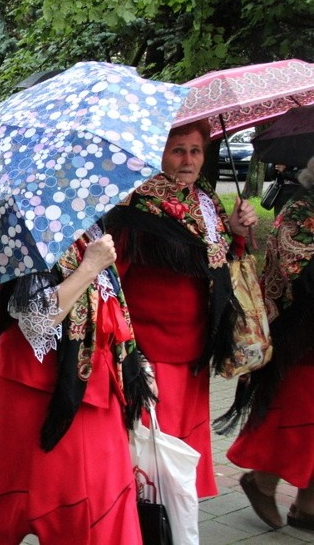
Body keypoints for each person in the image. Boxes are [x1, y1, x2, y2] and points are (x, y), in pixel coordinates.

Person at [0, 226, 154, 544]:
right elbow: (37, 318)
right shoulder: (25, 232)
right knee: (65, 499)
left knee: (99, 494)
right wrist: (89, 267)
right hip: (45, 388)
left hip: (94, 381)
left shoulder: (87, 227)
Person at [104, 119, 258, 498]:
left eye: (196, 151)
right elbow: (110, 277)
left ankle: (174, 511)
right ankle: (145, 514)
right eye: (178, 150)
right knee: (151, 447)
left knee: (181, 447)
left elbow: (220, 264)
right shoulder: (135, 203)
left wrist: (237, 232)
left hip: (194, 347)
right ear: (159, 153)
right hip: (149, 349)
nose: (188, 160)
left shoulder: (205, 201)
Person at [223, 157, 314, 531]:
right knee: (297, 421)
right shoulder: (299, 211)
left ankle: (307, 507)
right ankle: (261, 480)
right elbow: (301, 278)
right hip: (300, 337)